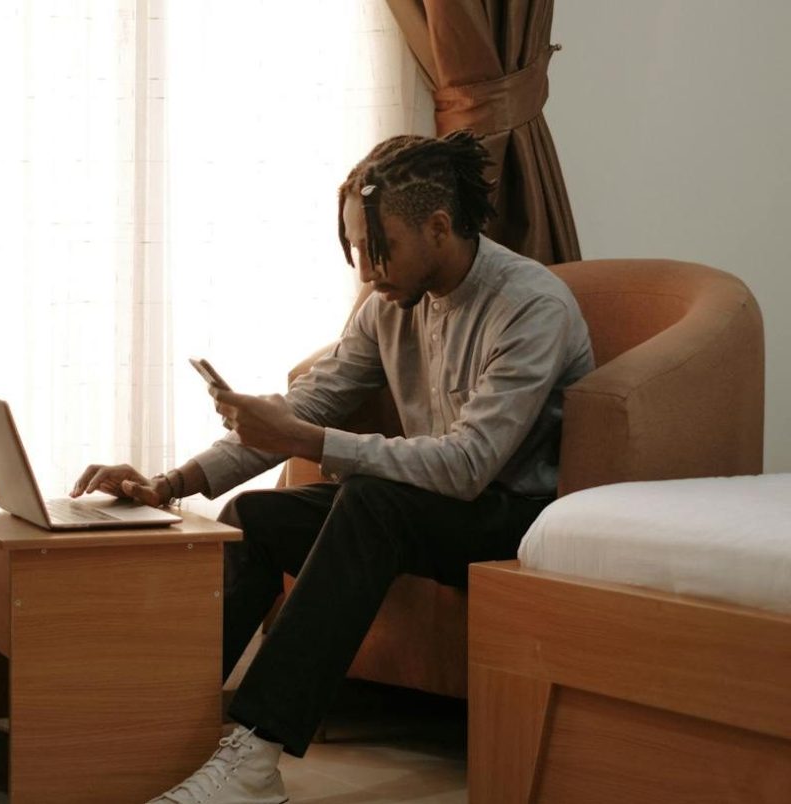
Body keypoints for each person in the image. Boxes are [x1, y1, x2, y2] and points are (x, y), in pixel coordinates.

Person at [71, 131, 594, 804]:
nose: (368, 271)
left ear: (439, 227)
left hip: (511, 514)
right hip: (423, 506)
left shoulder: (530, 306)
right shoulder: (385, 306)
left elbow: (468, 465)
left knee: (373, 500)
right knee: (254, 517)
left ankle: (255, 760)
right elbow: (308, 405)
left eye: (381, 250)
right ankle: (165, 724)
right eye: (355, 251)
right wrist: (170, 484)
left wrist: (310, 440)